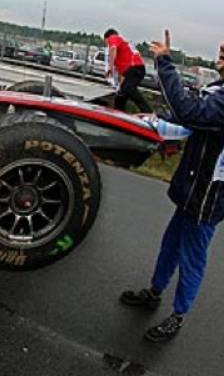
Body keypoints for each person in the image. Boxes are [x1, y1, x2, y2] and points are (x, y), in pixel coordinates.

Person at [119, 30, 224, 343]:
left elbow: (190, 112)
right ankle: (154, 291)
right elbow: (192, 119)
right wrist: (155, 119)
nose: (221, 47)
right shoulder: (218, 88)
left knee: (193, 257)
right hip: (193, 188)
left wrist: (164, 62)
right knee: (170, 245)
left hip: (208, 197)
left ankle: (178, 315)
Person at [104, 28, 153, 113]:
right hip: (133, 70)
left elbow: (113, 49)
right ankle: (118, 112)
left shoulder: (113, 37)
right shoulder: (123, 49)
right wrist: (119, 85)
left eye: (105, 42)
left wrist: (110, 67)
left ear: (107, 38)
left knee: (129, 88)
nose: (107, 45)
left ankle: (148, 112)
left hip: (135, 67)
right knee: (121, 94)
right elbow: (122, 74)